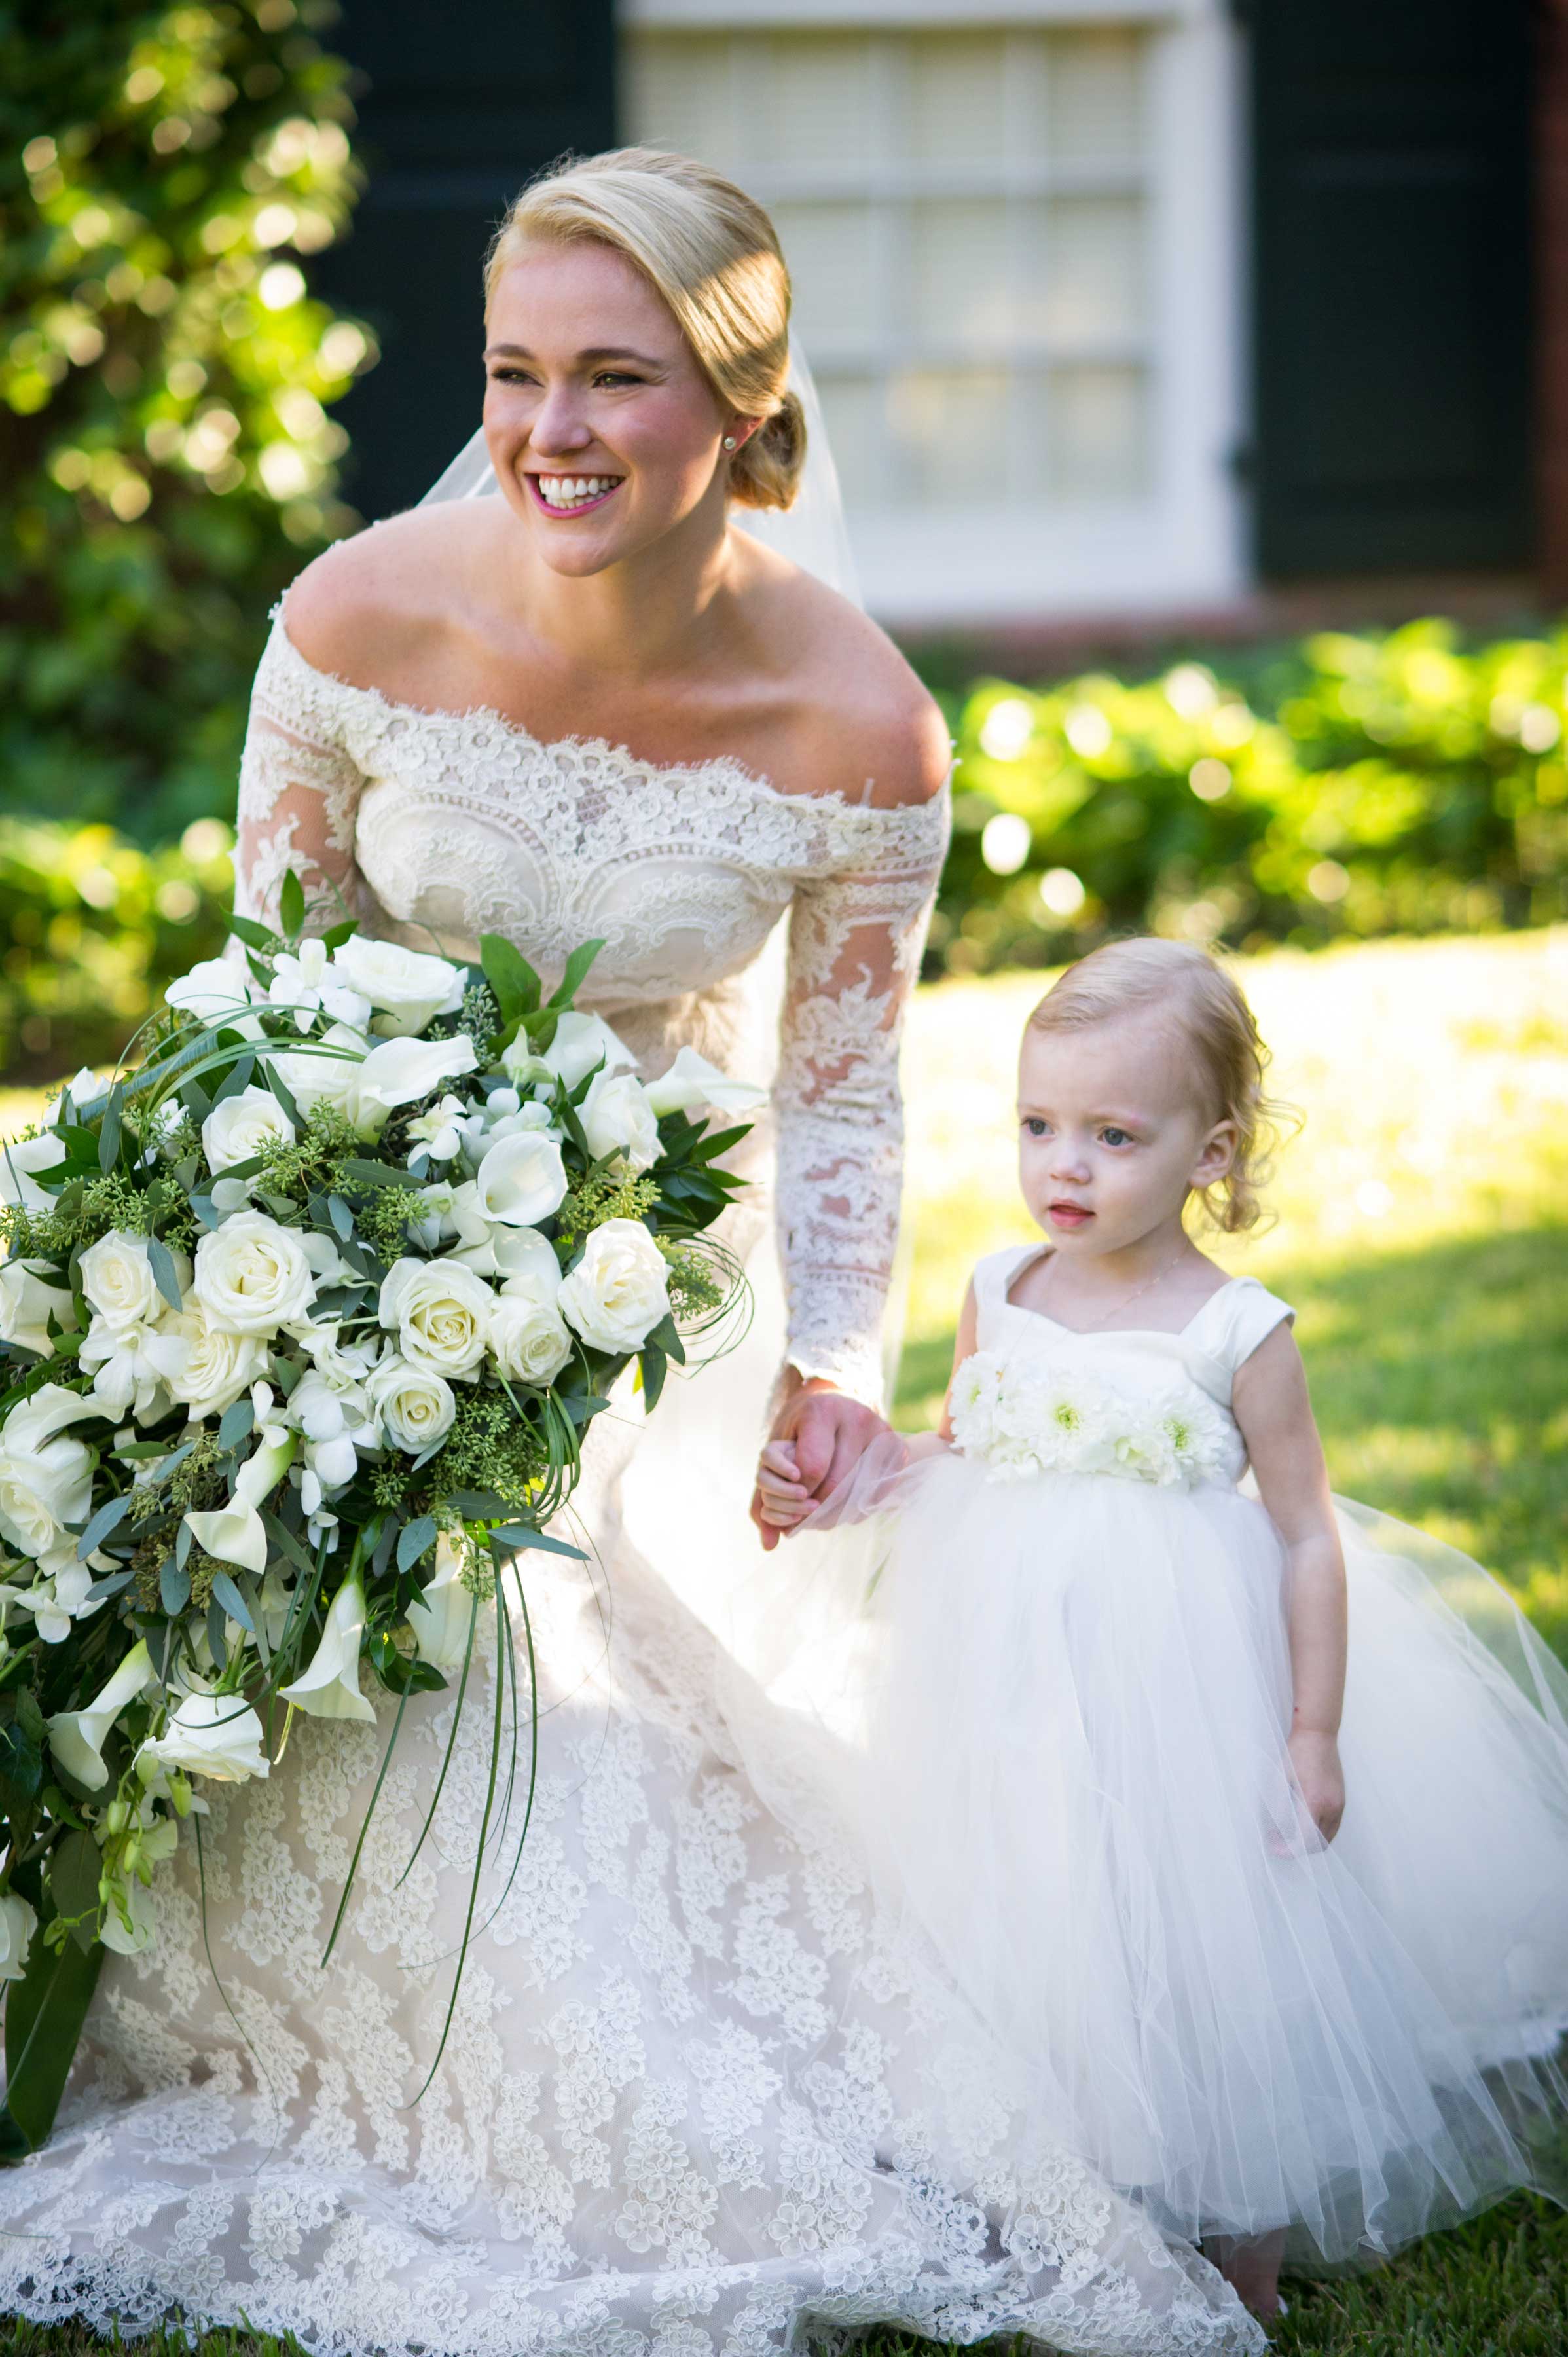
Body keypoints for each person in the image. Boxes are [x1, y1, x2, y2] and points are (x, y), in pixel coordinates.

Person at [0, 156, 1267, 2357]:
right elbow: (267, 1011)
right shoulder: (354, 622)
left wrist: (834, 1367)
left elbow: (847, 1089)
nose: (552, 429)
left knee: (584, 1662)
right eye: (514, 373)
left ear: (744, 411)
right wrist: (275, 1294)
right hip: (360, 1238)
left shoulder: (856, 718)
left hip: (657, 1280)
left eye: (618, 375)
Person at [757, 935, 1568, 2322]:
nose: (1063, 1167)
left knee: (1196, 1951)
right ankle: (1060, 2183)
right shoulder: (999, 1291)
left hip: (1180, 1693)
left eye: (1113, 1136)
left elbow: (1307, 1531)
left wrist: (1310, 1731)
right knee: (1037, 1921)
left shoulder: (1233, 1330)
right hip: (1010, 1690)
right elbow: (969, 1449)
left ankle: (1239, 2236)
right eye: (1038, 1126)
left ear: (1211, 1152)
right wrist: (857, 1478)